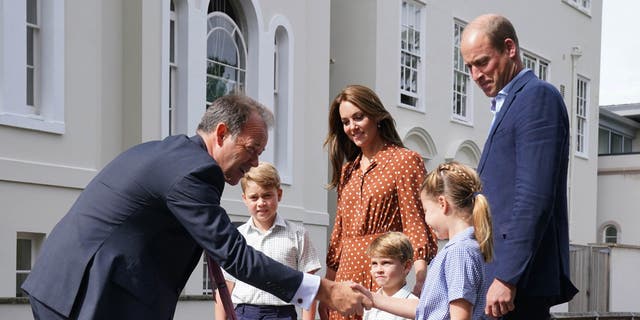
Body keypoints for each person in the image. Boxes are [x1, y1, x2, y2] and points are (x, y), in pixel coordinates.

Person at [21, 94, 371, 320]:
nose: (253, 163)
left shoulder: (173, 154)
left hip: (73, 286)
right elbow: (234, 254)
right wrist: (325, 290)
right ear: (221, 134)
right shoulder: (193, 171)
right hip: (88, 295)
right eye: (251, 149)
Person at [460, 14, 578, 319]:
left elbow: (534, 196)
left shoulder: (537, 97)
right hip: (500, 277)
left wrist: (507, 276)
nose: (475, 74)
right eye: (469, 67)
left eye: (482, 62)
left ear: (509, 48)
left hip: (516, 285)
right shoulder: (509, 103)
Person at [320, 84, 438, 320]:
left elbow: (415, 221)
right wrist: (328, 288)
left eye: (358, 117)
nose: (352, 127)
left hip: (382, 273)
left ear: (376, 116)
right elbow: (338, 235)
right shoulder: (348, 172)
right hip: (346, 274)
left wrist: (422, 276)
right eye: (345, 122)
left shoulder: (404, 161)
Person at [355, 161, 494, 320]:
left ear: (442, 204)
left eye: (426, 210)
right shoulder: (462, 248)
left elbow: (460, 316)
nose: (426, 219)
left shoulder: (459, 251)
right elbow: (425, 310)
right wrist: (371, 297)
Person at [214, 162, 322, 320]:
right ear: (244, 199)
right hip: (244, 314)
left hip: (282, 314)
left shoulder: (297, 235)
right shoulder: (236, 237)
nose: (261, 203)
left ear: (279, 194)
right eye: (254, 197)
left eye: (267, 195)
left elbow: (310, 287)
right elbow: (225, 287)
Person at [363, 232, 418, 320]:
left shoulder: (414, 307)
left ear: (406, 266)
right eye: (374, 263)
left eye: (386, 263)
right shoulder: (369, 303)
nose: (379, 270)